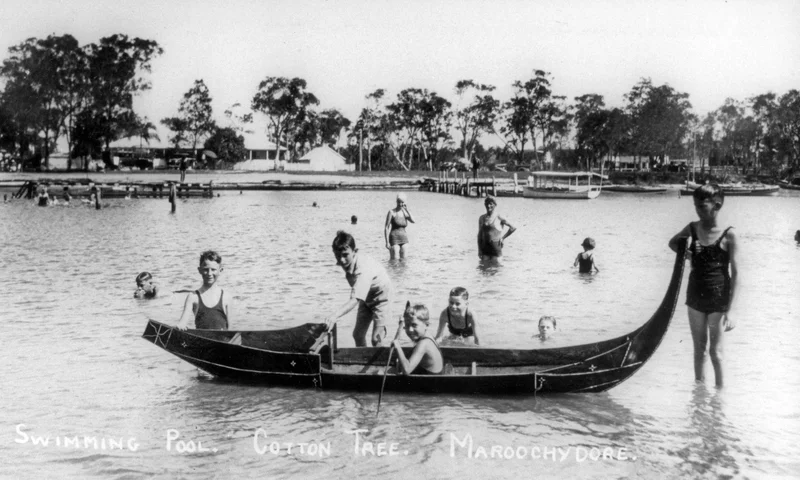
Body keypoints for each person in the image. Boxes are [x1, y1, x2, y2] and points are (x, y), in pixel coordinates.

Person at [669, 183, 738, 388]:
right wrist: (687, 254)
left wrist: (731, 310)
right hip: (695, 297)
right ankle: (698, 398)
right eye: (696, 206)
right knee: (699, 350)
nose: (698, 210)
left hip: (719, 298)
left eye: (702, 206)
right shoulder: (692, 227)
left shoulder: (729, 234)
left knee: (716, 353)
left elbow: (737, 273)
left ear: (717, 205)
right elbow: (673, 243)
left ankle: (719, 399)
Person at [325, 231, 392, 346]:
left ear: (355, 252)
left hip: (382, 297)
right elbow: (359, 295)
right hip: (367, 297)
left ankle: (378, 362)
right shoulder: (346, 262)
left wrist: (335, 315)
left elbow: (355, 299)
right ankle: (363, 359)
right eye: (337, 255)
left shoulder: (363, 268)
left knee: (376, 339)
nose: (341, 260)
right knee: (358, 335)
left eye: (345, 255)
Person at [176, 250, 232, 330]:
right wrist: (179, 327)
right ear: (200, 270)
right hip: (202, 340)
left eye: (213, 269)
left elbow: (231, 330)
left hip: (222, 339)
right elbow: (182, 323)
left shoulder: (227, 297)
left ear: (220, 270)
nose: (209, 273)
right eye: (206, 269)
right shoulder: (192, 297)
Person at [392, 303, 444, 375]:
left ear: (426, 325)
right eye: (407, 325)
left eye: (414, 325)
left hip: (432, 382)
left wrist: (398, 347)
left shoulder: (423, 344)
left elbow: (407, 371)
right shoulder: (427, 335)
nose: (410, 329)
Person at [384, 193, 415, 258]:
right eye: (399, 202)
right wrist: (387, 242)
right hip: (394, 239)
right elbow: (386, 227)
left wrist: (407, 209)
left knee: (404, 262)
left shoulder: (405, 212)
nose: (401, 204)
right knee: (394, 261)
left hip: (404, 239)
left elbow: (413, 221)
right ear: (396, 202)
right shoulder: (391, 212)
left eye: (402, 202)